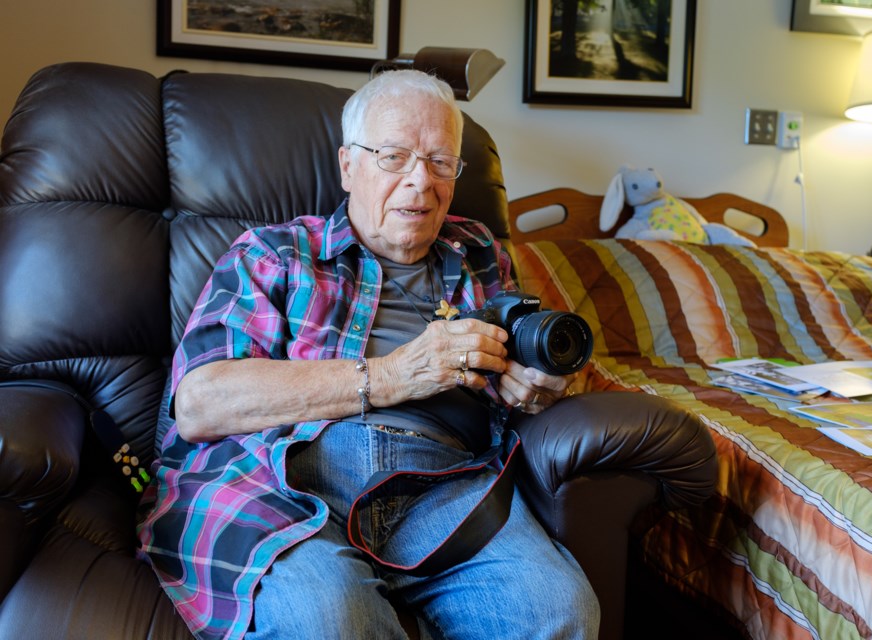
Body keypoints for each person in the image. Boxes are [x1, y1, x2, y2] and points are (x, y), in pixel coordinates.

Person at [137, 69, 601, 640]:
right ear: (347, 165)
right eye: (394, 156)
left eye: (440, 162)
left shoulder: (480, 253)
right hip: (289, 479)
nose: (420, 183)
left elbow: (545, 369)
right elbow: (201, 403)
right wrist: (391, 375)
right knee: (328, 618)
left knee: (561, 610)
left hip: (446, 487)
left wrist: (542, 388)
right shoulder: (274, 253)